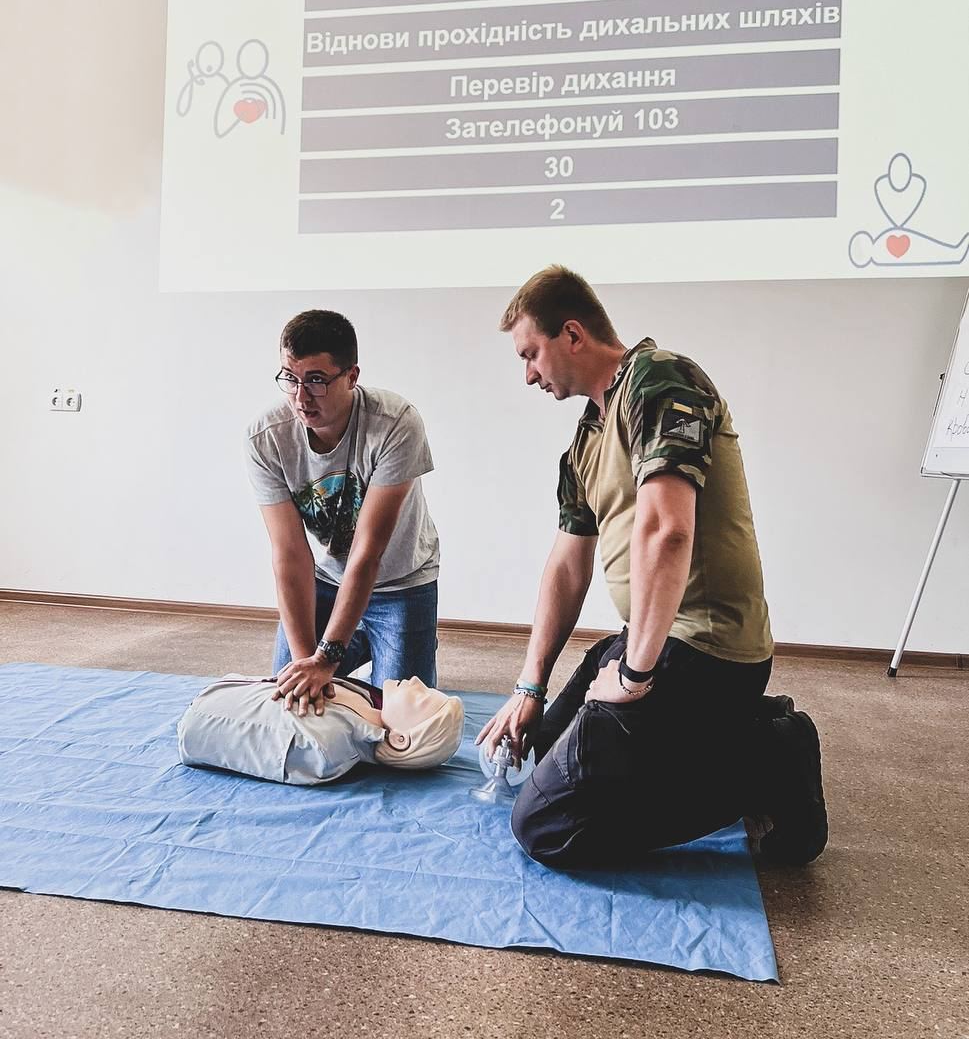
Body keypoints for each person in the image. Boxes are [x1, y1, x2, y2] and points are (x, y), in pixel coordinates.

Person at [476, 266, 827, 870]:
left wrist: (634, 677)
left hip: (705, 654)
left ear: (573, 335)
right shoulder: (585, 439)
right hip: (653, 642)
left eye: (531, 353)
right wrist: (529, 688)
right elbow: (566, 564)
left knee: (545, 826)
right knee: (542, 751)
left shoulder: (660, 379)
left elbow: (668, 530)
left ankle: (769, 760)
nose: (528, 373)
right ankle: (732, 736)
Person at [246, 309, 440, 716]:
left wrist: (328, 657)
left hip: (400, 584)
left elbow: (368, 551)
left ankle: (390, 648)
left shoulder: (394, 423)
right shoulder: (267, 437)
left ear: (351, 377)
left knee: (403, 722)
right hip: (327, 580)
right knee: (290, 703)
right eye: (290, 378)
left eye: (316, 380)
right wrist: (307, 665)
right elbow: (289, 554)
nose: (301, 397)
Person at [178, 675, 464, 783]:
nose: (415, 680)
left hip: (201, 715)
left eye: (422, 697)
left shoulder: (325, 749)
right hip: (215, 698)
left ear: (401, 739)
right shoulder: (367, 706)